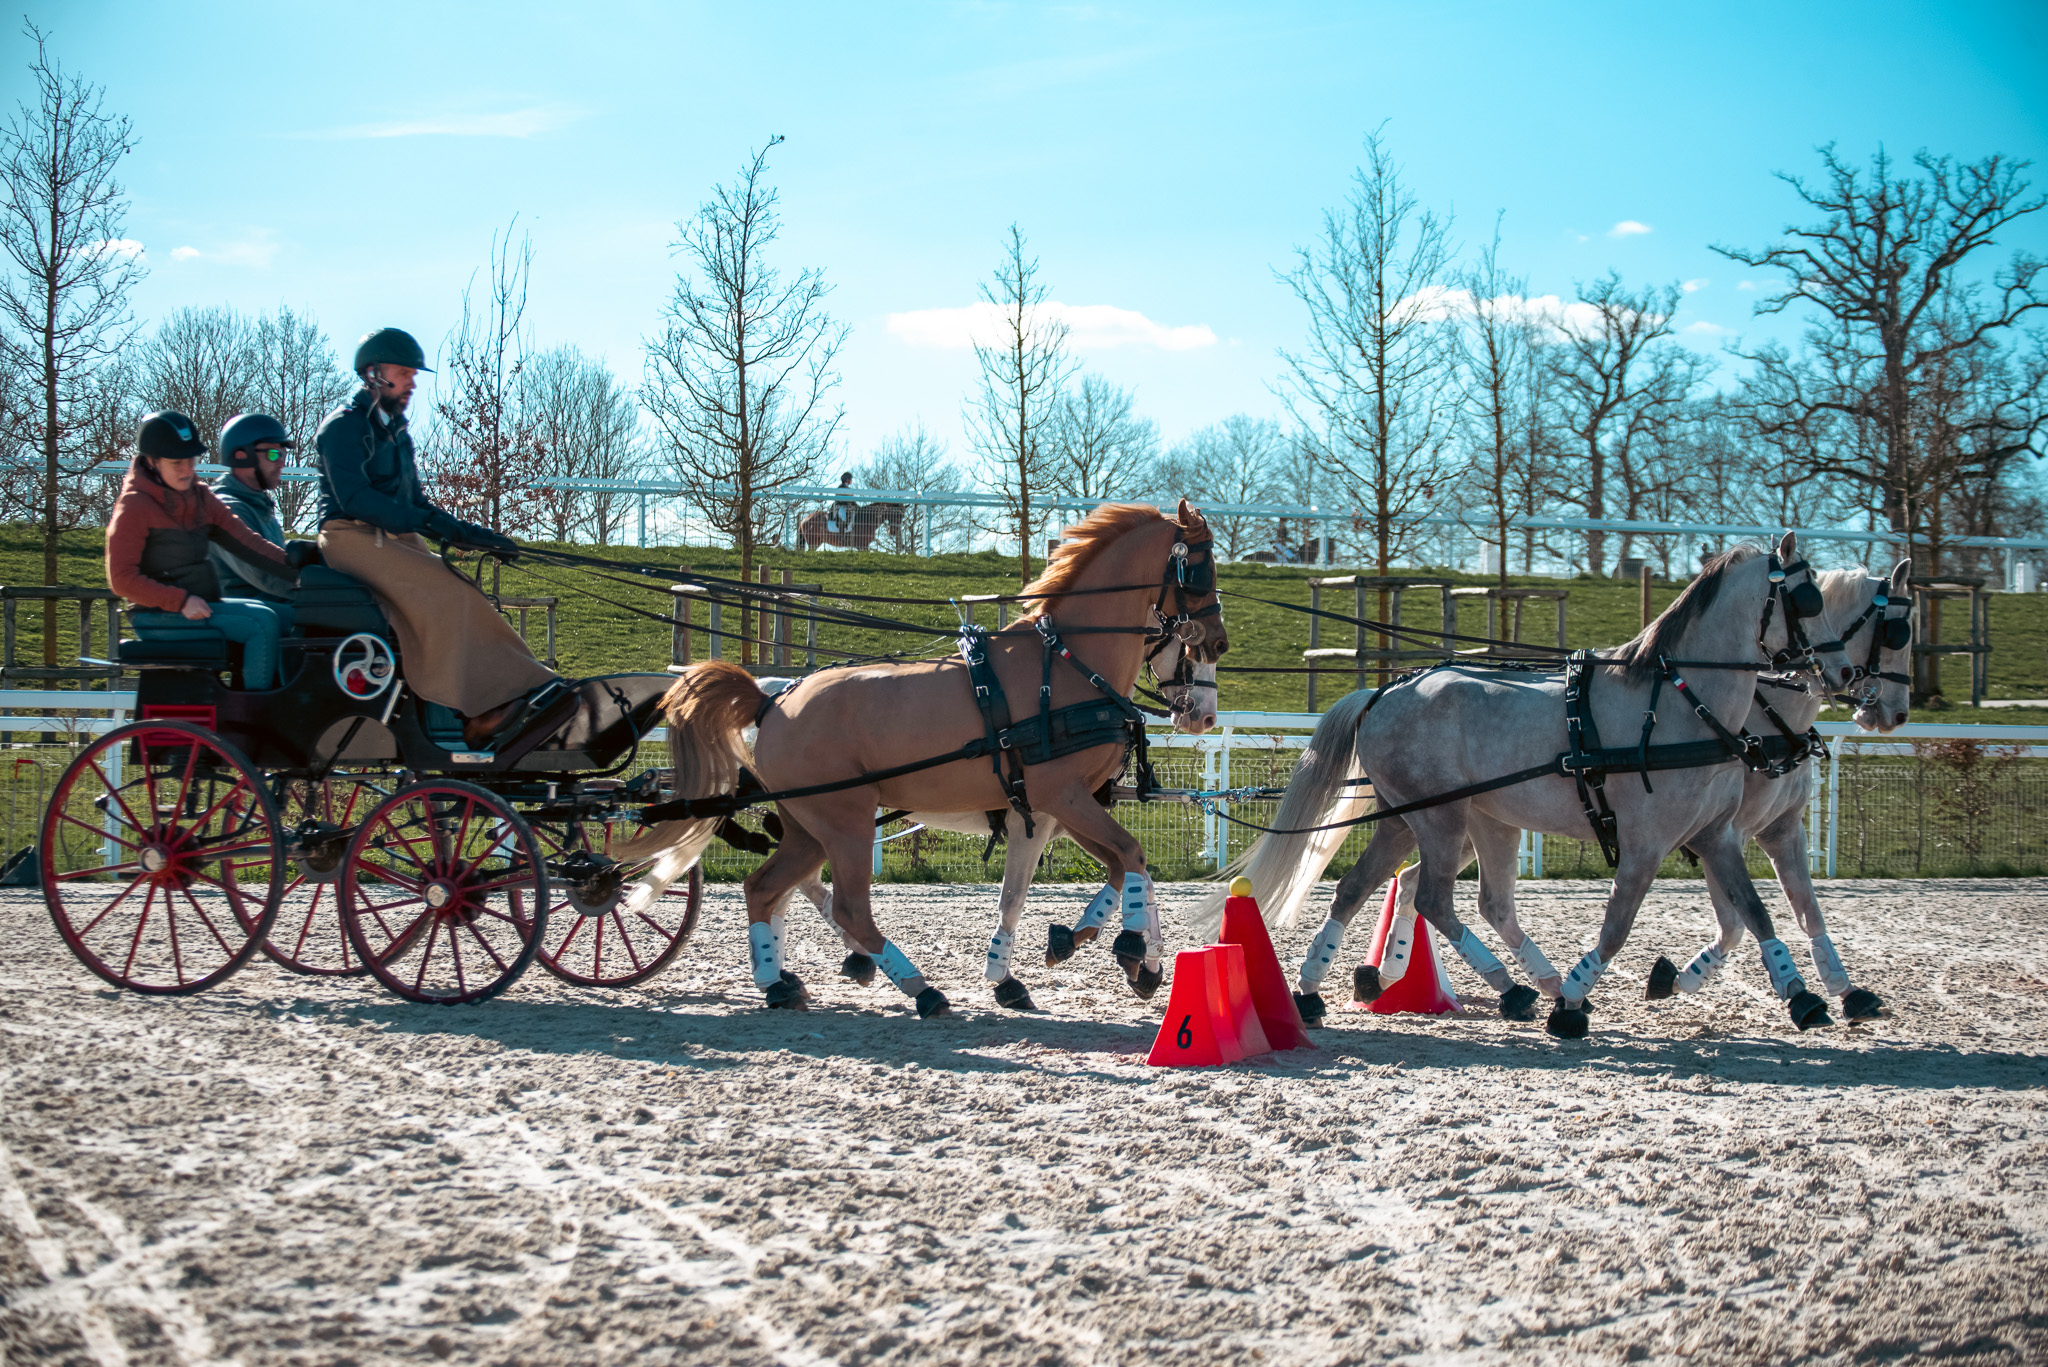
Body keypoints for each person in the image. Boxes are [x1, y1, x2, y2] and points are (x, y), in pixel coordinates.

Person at [313, 327, 571, 749]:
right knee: (443, 592)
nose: (413, 382)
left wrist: (472, 534)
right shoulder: (342, 427)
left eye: (413, 374)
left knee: (462, 588)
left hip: (389, 535)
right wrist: (435, 527)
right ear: (374, 374)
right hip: (348, 536)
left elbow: (416, 502)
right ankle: (476, 708)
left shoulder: (397, 434)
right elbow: (355, 499)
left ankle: (523, 687)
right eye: (404, 372)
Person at [107, 411, 299, 690]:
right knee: (261, 624)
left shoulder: (200, 498)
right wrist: (181, 601)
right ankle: (253, 714)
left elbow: (248, 543)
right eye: (177, 463)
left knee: (271, 615)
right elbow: (121, 579)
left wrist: (300, 571)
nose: (187, 470)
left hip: (198, 605)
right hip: (158, 614)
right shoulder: (135, 506)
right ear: (152, 462)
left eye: (191, 460)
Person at [208, 412, 300, 623]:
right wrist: (321, 586)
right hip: (243, 615)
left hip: (268, 606)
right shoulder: (228, 509)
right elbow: (265, 575)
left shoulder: (259, 506)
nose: (281, 463)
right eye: (273, 454)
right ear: (242, 455)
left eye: (282, 455)